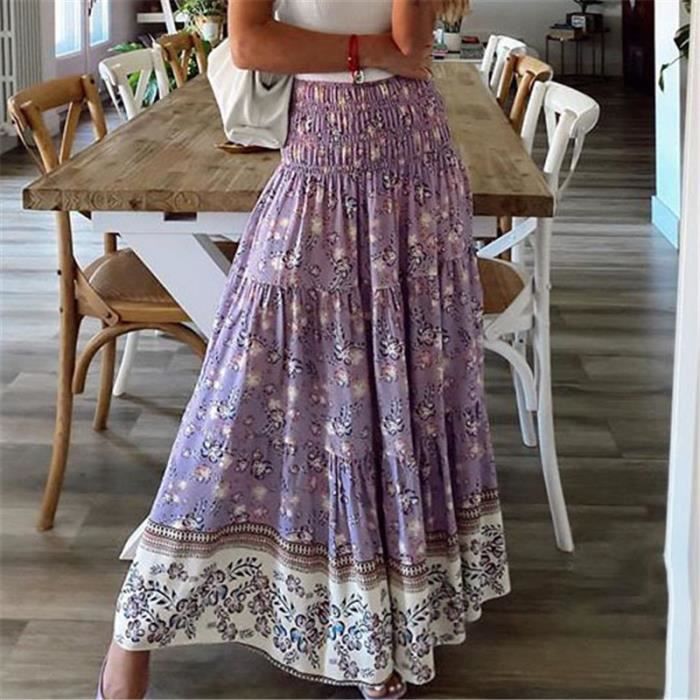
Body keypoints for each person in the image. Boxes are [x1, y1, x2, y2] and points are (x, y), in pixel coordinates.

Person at [99, 1, 509, 698]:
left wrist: (361, 50)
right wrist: (365, 52)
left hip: (407, 165)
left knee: (393, 393)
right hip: (325, 153)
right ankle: (138, 625)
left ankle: (377, 626)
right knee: (243, 390)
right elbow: (252, 45)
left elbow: (410, 45)